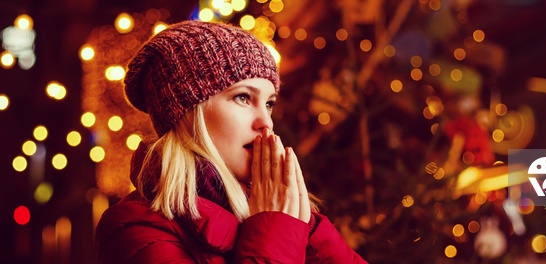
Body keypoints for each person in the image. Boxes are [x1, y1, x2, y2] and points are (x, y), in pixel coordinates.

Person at [94, 20, 368, 264]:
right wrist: (276, 228)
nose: (266, 122)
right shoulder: (134, 227)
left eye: (269, 103)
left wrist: (302, 222)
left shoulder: (281, 205)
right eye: (243, 98)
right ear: (188, 113)